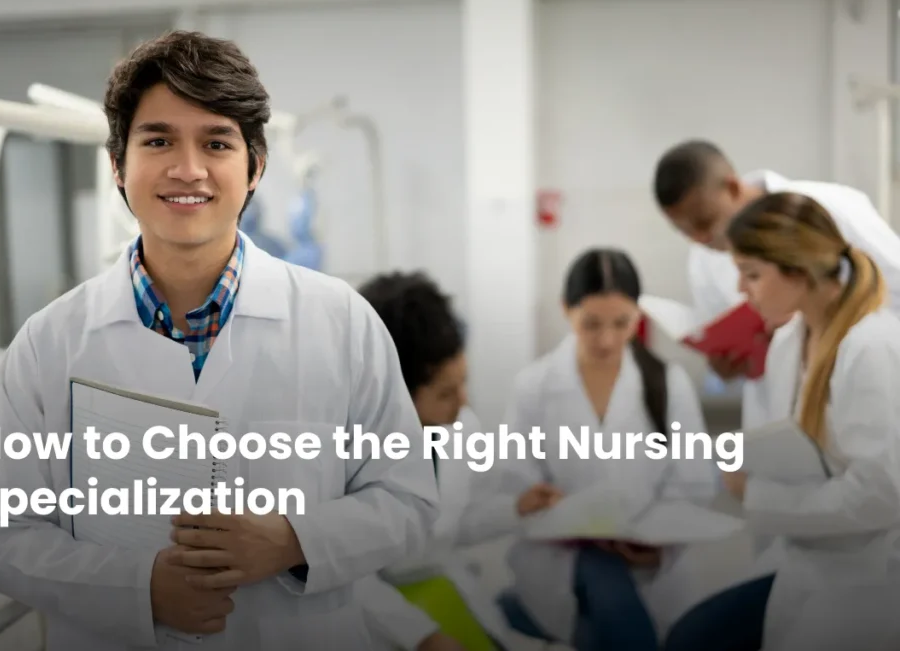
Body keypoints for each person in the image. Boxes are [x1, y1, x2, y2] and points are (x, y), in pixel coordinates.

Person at [0, 31, 439, 651]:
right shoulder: (49, 343)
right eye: (158, 140)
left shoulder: (343, 324)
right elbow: (4, 533)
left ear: (255, 168)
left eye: (216, 142)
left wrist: (294, 539)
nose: (187, 169)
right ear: (118, 164)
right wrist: (141, 586)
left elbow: (408, 501)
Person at [665, 192, 900, 651]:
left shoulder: (871, 349)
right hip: (811, 564)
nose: (741, 290)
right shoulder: (792, 340)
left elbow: (882, 495)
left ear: (798, 271)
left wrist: (759, 494)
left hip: (871, 579)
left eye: (751, 274)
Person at [502, 248, 720, 651]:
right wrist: (552, 507)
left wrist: (652, 548)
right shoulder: (534, 386)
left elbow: (694, 483)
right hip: (564, 559)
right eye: (591, 324)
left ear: (639, 314)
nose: (607, 339)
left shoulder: (667, 383)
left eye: (622, 323)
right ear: (566, 310)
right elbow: (516, 480)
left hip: (652, 564)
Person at [353, 271, 546, 651]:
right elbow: (343, 577)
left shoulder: (456, 427)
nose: (464, 403)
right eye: (446, 392)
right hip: (371, 620)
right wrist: (419, 636)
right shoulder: (348, 452)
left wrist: (515, 509)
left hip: (442, 590)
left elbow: (448, 528)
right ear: (394, 393)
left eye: (463, 382)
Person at [652, 139, 900, 432]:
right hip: (779, 407)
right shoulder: (702, 258)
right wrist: (727, 365)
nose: (699, 239)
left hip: (854, 382)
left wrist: (818, 319)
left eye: (704, 222)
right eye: (684, 231)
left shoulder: (827, 206)